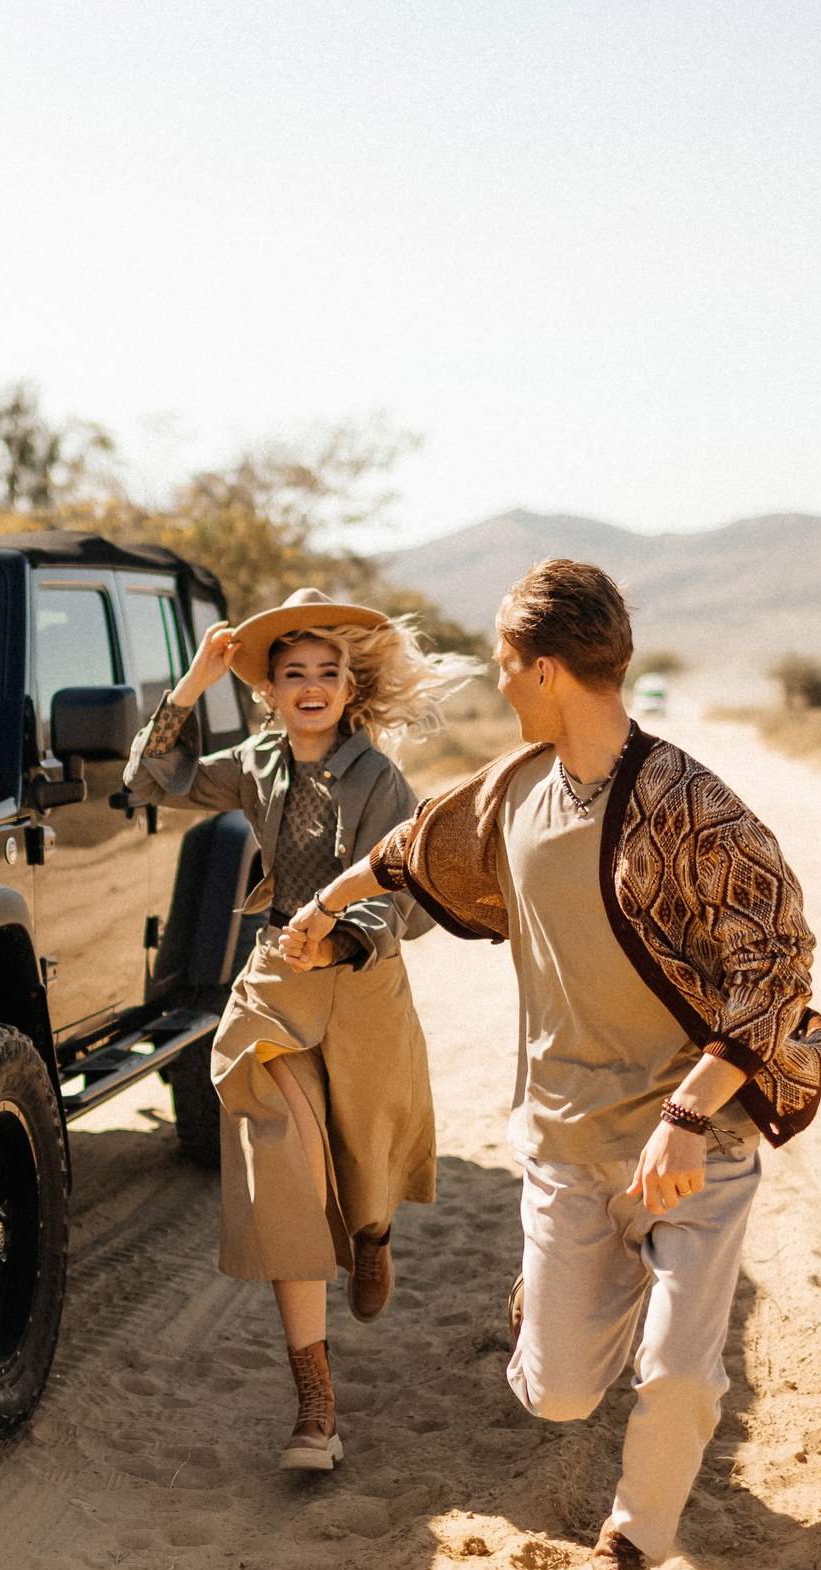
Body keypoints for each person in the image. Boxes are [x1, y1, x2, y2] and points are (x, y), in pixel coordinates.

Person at [281, 558, 821, 1570]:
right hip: (565, 1146)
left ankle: (629, 1546)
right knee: (563, 1394)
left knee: (680, 1374)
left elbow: (777, 970)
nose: (497, 675)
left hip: (693, 1144)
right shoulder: (510, 790)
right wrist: (314, 913)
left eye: (503, 660)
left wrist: (684, 1113)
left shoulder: (692, 807)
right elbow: (398, 856)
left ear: (542, 669)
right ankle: (547, 1304)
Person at [124, 586, 473, 1472]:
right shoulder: (254, 762)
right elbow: (146, 780)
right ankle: (315, 1403)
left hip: (361, 980)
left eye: (327, 672)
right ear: (269, 692)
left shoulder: (379, 779)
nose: (310, 686)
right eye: (292, 674)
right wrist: (194, 681)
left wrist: (345, 934)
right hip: (277, 975)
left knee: (366, 1155)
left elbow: (405, 892)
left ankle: (373, 1233)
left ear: (349, 689)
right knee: (283, 1165)